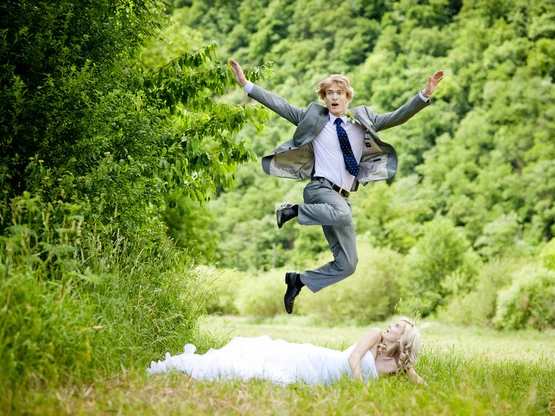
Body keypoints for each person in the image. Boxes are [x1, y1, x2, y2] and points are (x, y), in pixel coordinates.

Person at [229, 60, 444, 314]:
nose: (333, 97)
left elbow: (398, 117)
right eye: (328, 93)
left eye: (338, 93)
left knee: (348, 263)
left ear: (347, 97)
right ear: (323, 98)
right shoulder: (313, 118)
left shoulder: (363, 119)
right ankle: (293, 210)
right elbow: (281, 106)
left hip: (341, 198)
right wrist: (246, 85)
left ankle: (299, 281)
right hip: (319, 190)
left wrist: (425, 94)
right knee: (342, 214)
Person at [147, 317, 427, 386]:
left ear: (404, 339)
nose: (391, 326)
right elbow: (354, 358)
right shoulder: (375, 334)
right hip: (324, 362)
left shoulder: (397, 365)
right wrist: (362, 389)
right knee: (265, 361)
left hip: (328, 382)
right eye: (394, 323)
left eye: (397, 327)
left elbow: (422, 385)